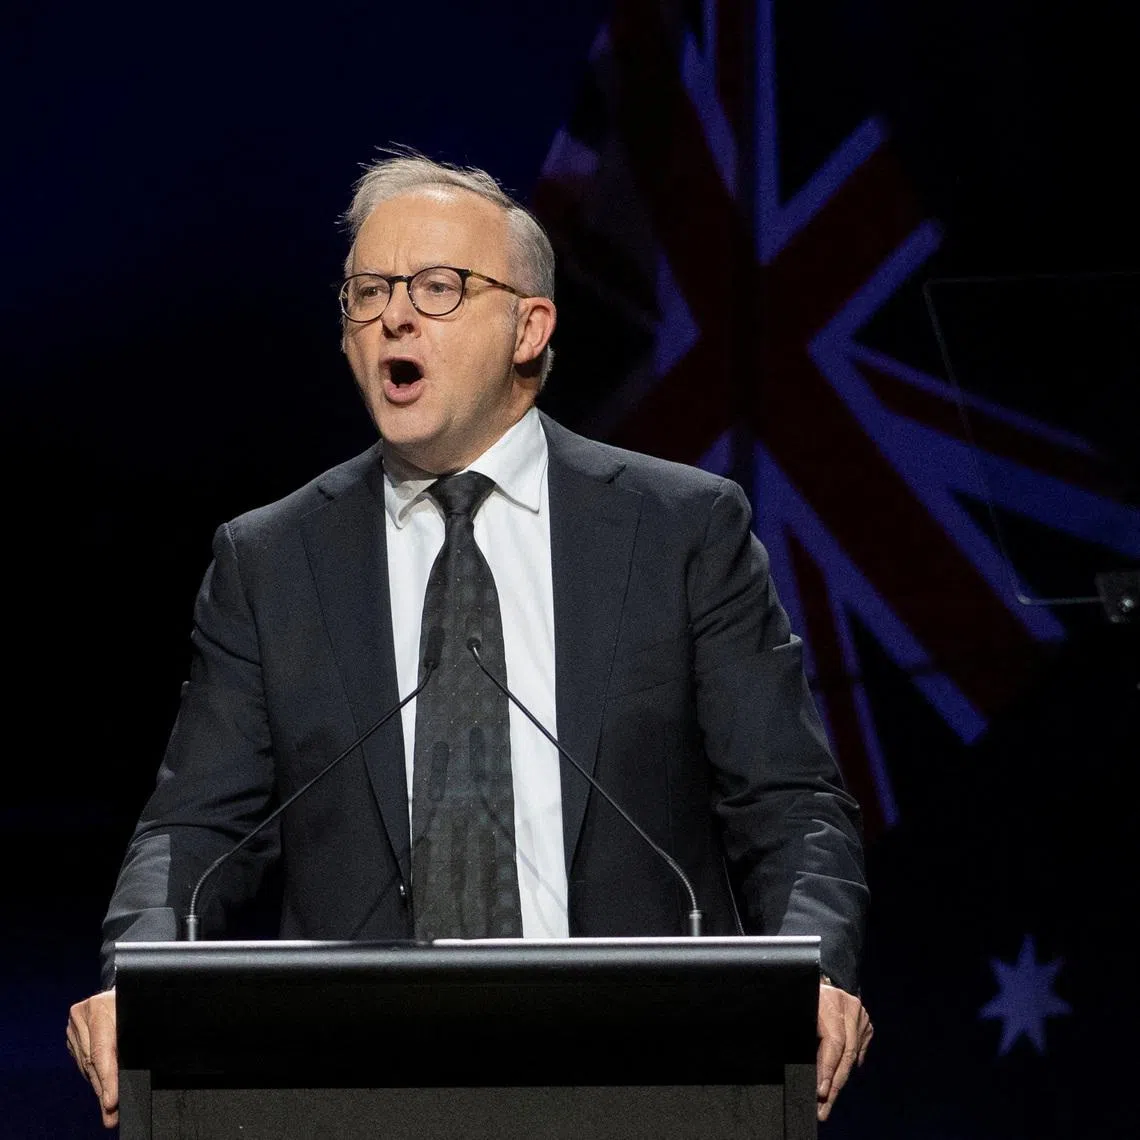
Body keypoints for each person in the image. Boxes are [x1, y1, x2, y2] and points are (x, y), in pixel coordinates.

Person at [67, 150, 873, 1127]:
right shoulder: (271, 561)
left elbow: (790, 805)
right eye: (368, 293)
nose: (393, 316)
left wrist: (817, 969)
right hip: (354, 1087)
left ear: (529, 327)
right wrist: (135, 975)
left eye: (438, 288)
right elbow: (188, 835)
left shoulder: (681, 530)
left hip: (645, 1075)